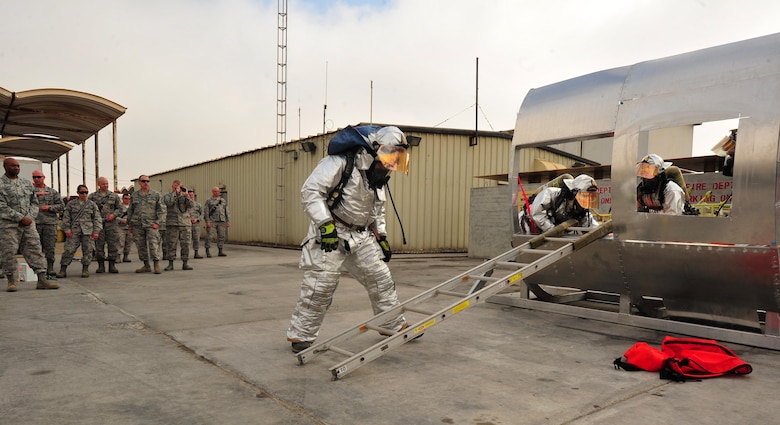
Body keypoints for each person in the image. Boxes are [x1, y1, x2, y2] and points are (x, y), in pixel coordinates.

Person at [286, 125, 411, 353]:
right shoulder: (340, 162)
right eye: (389, 157)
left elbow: (377, 209)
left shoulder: (377, 176)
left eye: (396, 158)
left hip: (361, 236)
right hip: (331, 233)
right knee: (320, 287)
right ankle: (300, 336)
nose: (391, 163)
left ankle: (393, 324)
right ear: (374, 150)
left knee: (380, 279)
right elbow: (311, 192)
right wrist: (325, 225)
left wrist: (381, 236)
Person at [0, 158, 59, 291]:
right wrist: (20, 218)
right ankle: (11, 281)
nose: (16, 168)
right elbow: (1, 206)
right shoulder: (1, 185)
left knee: (35, 248)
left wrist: (30, 217)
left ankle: (42, 279)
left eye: (18, 166)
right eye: (13, 166)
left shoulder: (26, 184)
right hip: (9, 226)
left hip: (28, 225)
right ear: (5, 167)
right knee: (8, 252)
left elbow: (34, 202)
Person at [528, 173, 601, 233]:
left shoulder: (581, 208)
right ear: (574, 193)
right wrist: (553, 230)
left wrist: (602, 232)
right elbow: (536, 213)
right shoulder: (551, 194)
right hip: (529, 226)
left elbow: (589, 224)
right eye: (585, 196)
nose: (588, 200)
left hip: (552, 231)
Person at [56, 185, 102, 278]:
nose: (84, 194)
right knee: (69, 250)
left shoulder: (92, 204)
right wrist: (67, 230)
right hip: (74, 231)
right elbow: (66, 218)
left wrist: (96, 231)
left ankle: (85, 269)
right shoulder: (71, 204)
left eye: (86, 192)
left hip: (88, 231)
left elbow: (97, 219)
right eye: (82, 192)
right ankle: (63, 269)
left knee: (88, 250)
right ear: (78, 193)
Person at [126, 175, 166, 274]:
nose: (146, 183)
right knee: (140, 246)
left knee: (153, 244)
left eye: (148, 181)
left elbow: (162, 210)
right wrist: (130, 225)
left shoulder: (156, 195)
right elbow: (131, 210)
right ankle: (146, 265)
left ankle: (156, 264)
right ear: (139, 182)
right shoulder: (134, 195)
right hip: (137, 225)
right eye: (143, 181)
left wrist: (158, 223)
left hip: (151, 224)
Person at [32, 170, 65, 277]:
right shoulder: (29, 191)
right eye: (34, 177)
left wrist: (49, 207)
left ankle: (50, 267)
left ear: (43, 177)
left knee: (50, 247)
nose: (36, 179)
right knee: (35, 247)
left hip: (49, 223)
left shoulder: (52, 192)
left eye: (38, 177)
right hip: (34, 223)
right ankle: (38, 268)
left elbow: (61, 206)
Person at [88, 176, 122, 273]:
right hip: (99, 225)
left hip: (111, 225)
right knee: (99, 245)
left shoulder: (113, 196)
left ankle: (112, 265)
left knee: (113, 245)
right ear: (98, 184)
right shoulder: (92, 197)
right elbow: (89, 209)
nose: (106, 185)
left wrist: (113, 215)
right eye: (103, 184)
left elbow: (120, 208)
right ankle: (101, 265)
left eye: (107, 183)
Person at [162, 180, 193, 271]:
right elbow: (169, 203)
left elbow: (191, 205)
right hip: (173, 224)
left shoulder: (184, 196)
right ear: (173, 186)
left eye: (179, 186)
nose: (178, 188)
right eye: (176, 187)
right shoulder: (168, 196)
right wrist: (175, 193)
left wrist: (186, 195)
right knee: (171, 244)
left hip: (185, 224)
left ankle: (185, 263)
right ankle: (170, 263)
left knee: (186, 244)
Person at [204, 186, 230, 257]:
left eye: (218, 191)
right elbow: (206, 212)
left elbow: (226, 211)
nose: (217, 192)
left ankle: (220, 250)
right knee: (209, 236)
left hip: (221, 220)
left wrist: (228, 220)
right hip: (212, 221)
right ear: (212, 192)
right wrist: (207, 221)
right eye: (215, 191)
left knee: (222, 236)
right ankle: (207, 250)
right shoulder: (209, 201)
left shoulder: (223, 201)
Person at [117, 192, 134, 263]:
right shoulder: (119, 207)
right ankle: (118, 256)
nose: (127, 200)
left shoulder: (132, 208)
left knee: (129, 242)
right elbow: (115, 216)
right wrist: (122, 220)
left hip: (130, 227)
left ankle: (126, 256)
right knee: (120, 242)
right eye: (126, 198)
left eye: (129, 199)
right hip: (121, 227)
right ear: (122, 199)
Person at [187, 189, 204, 259]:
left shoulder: (198, 205)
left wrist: (197, 219)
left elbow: (202, 214)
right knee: (186, 240)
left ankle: (196, 253)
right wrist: (188, 219)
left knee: (196, 239)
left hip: (196, 224)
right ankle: (185, 254)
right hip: (187, 224)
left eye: (192, 195)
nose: (191, 196)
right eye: (189, 195)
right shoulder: (185, 205)